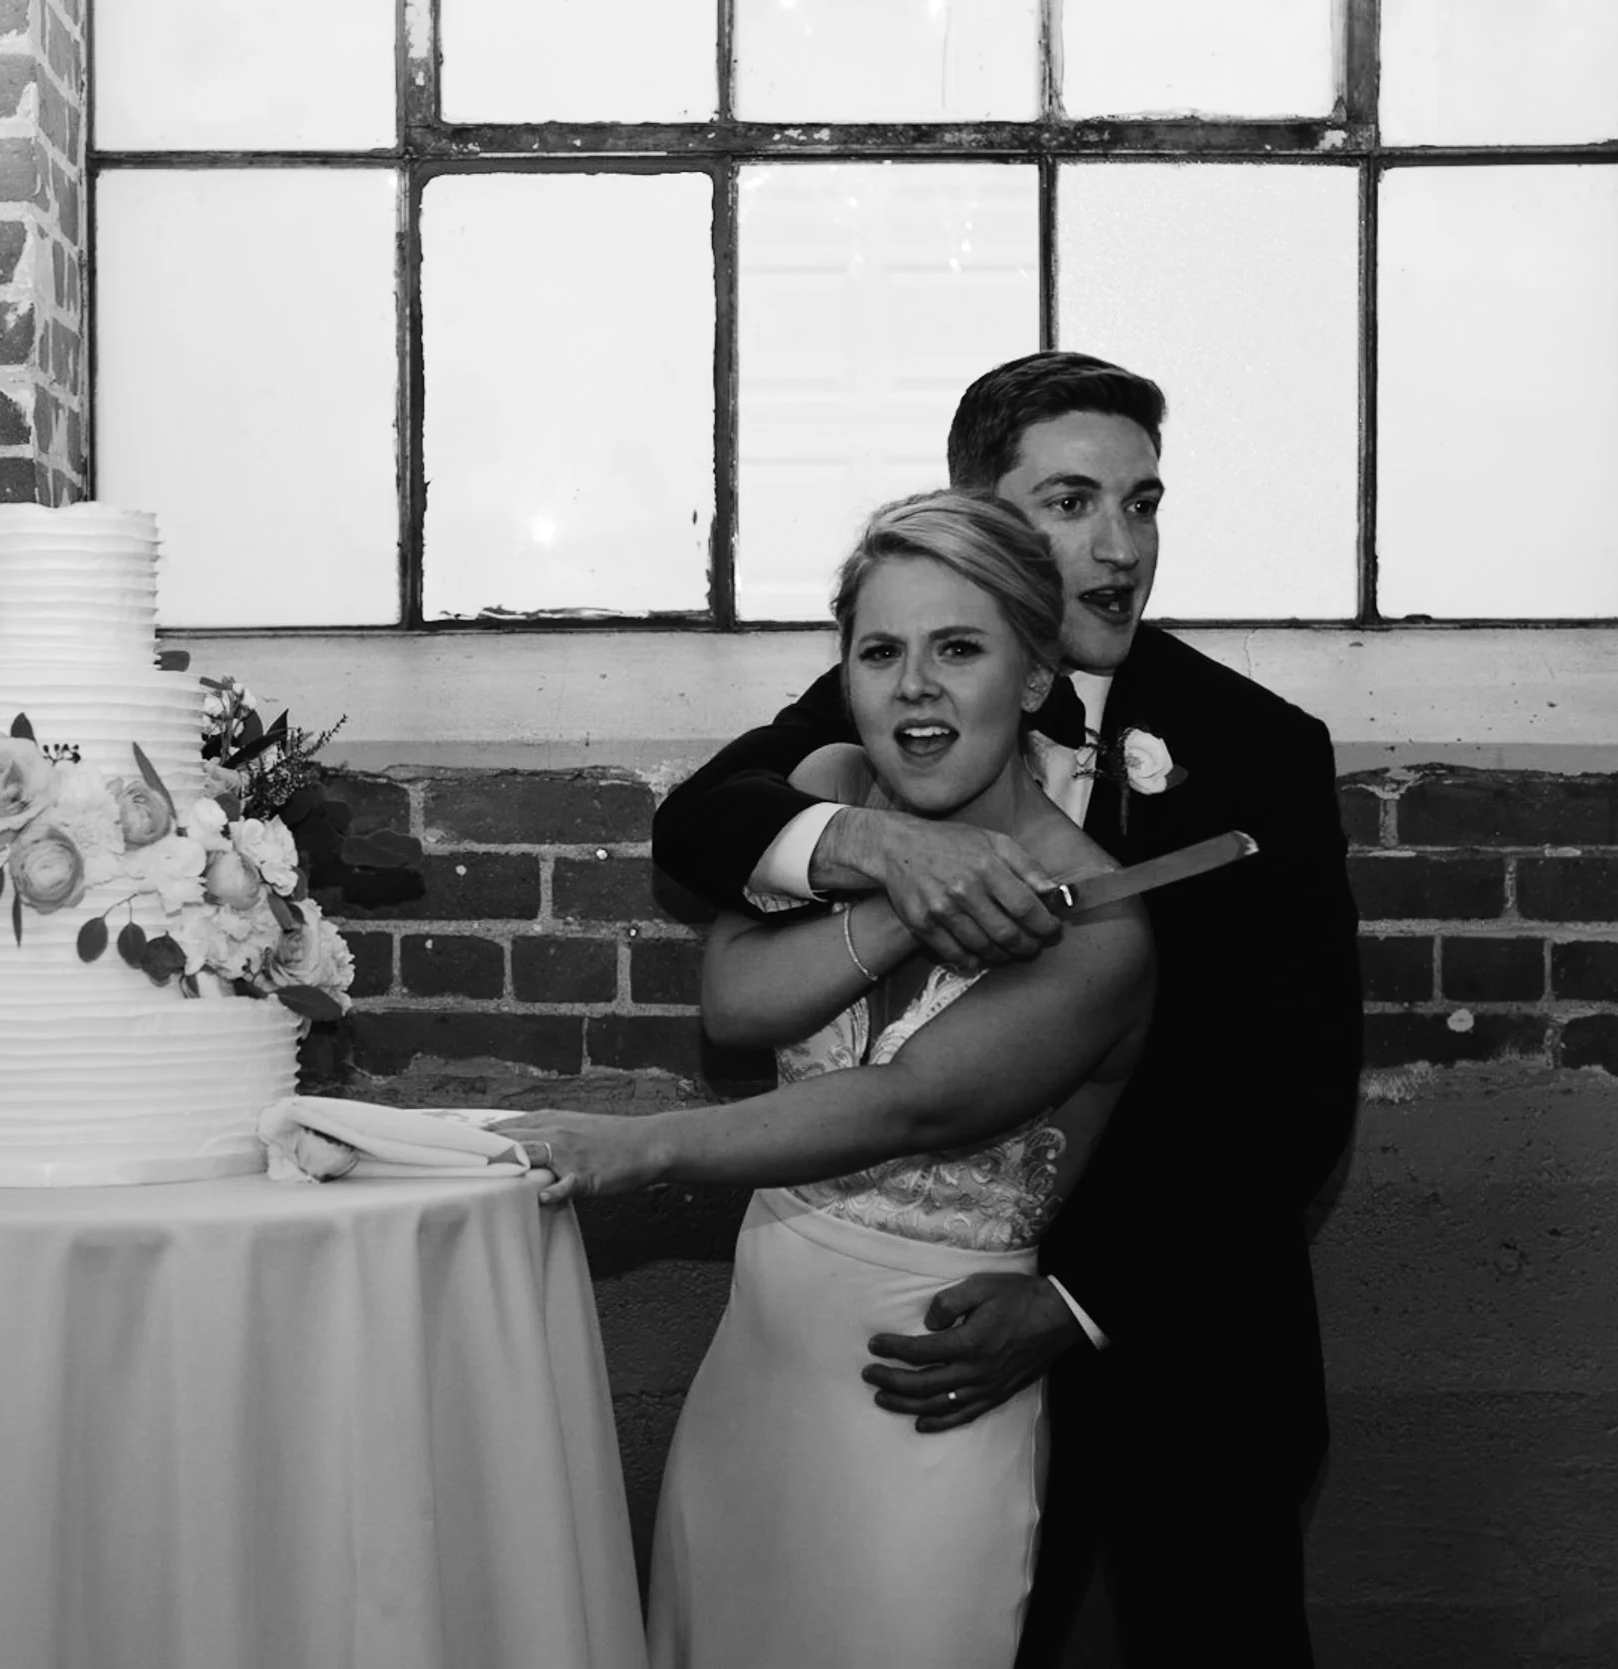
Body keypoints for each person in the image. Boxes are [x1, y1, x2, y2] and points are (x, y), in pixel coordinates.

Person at [644, 351, 1362, 1666]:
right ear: (980, 520)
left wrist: (1076, 1298)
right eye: (1072, 502)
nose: (1117, 546)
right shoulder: (895, 686)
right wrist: (874, 849)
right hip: (897, 1377)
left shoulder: (1262, 750)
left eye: (1141, 505)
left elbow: (1293, 1093)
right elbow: (701, 827)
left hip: (1170, 1345)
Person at [502, 490, 1154, 1669]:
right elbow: (736, 1001)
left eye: (959, 648)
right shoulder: (830, 784)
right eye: (880, 651)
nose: (914, 684)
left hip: (927, 1400)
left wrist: (638, 1146)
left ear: (1036, 675)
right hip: (753, 1380)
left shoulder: (1102, 927)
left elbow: (907, 1102)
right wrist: (913, 893)